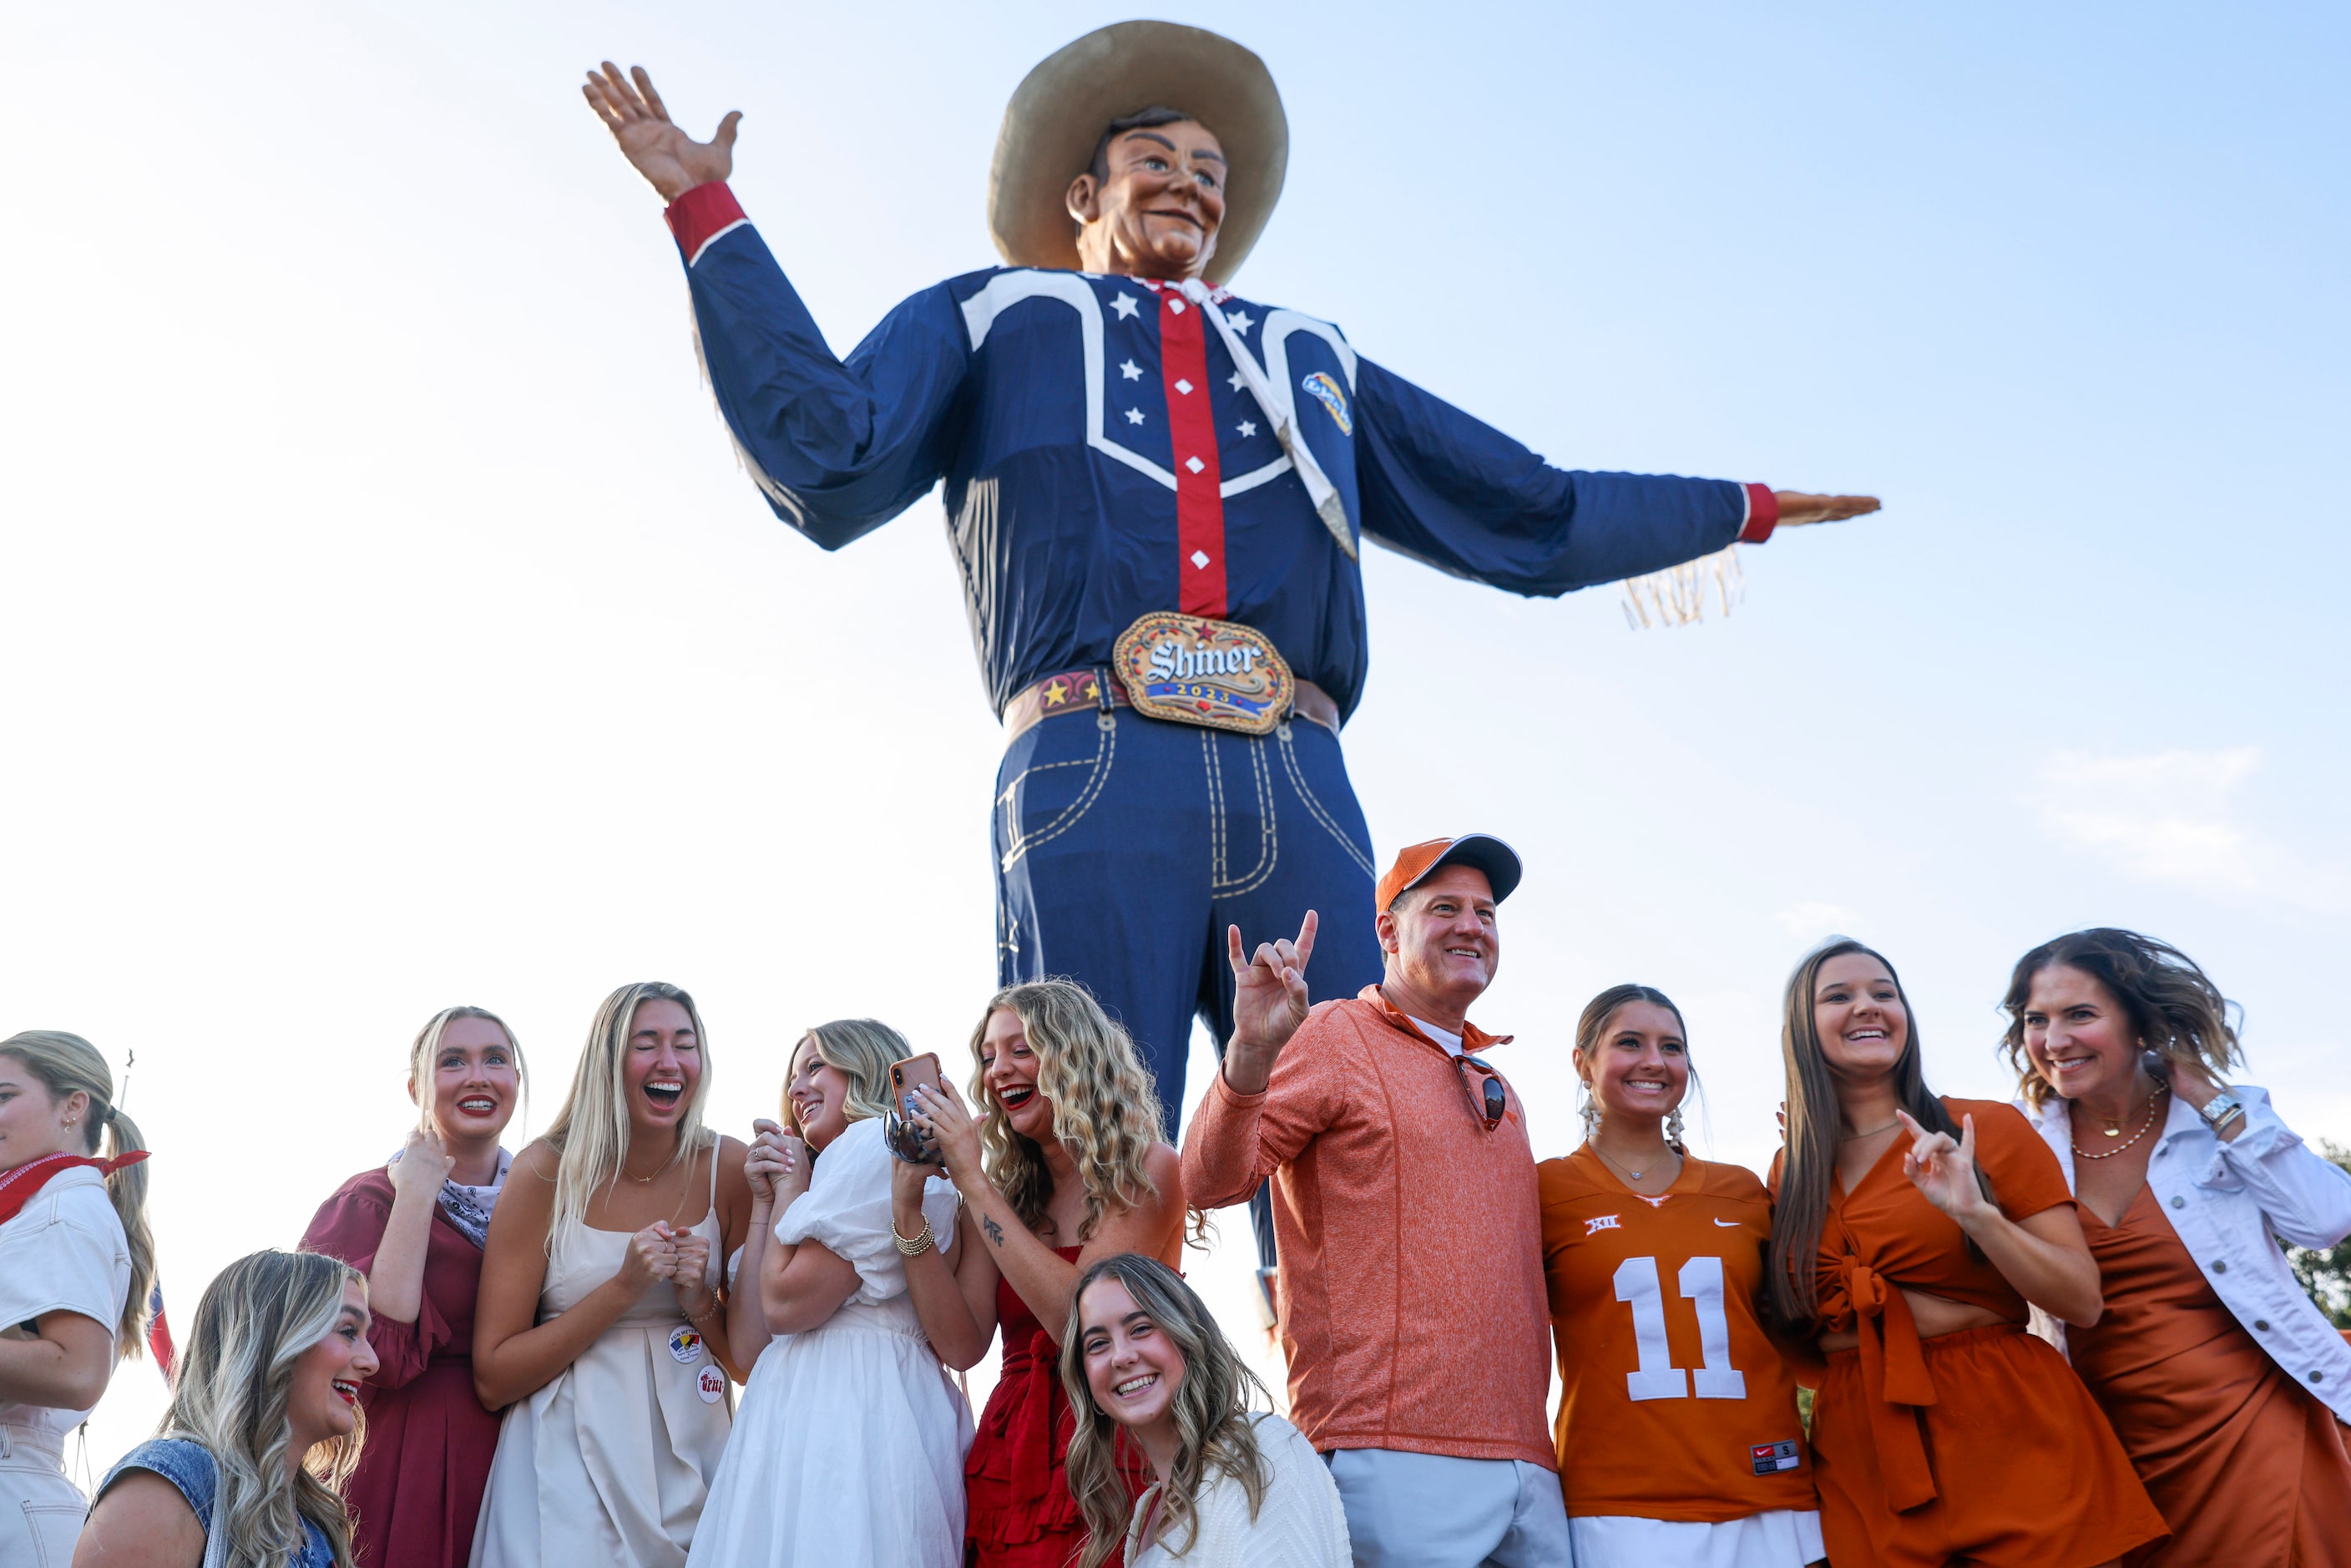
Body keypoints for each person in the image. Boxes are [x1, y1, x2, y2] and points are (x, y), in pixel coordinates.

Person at [582, 21, 1880, 1277]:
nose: (1193, 188)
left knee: (1345, 1122)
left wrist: (1740, 509)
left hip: (1295, 764)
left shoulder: (1307, 355)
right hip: (1090, 753)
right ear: (1083, 192)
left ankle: (1356, 1443)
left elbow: (1524, 509)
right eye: (1161, 162)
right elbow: (830, 448)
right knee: (1079, 1117)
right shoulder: (996, 313)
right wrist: (709, 214)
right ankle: (1085, 1470)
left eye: (1214, 173)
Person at [1184, 833, 1569, 1567]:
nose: (1472, 926)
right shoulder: (1335, 1033)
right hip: (1390, 1455)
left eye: (1486, 914)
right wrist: (1251, 1056)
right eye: (1445, 908)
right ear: (1388, 932)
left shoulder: (1499, 1083)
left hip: (1528, 1459)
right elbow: (1210, 1184)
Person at [1765, 938, 2166, 1568]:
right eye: (1839, 996)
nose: (1867, 1007)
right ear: (1801, 1027)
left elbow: (2081, 1300)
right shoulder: (1788, 1170)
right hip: (1862, 1450)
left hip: (2005, 1430)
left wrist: (1977, 1217)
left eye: (1884, 994)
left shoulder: (1986, 1129)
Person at [2004, 928, 2351, 1565]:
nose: (2054, 1041)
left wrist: (2208, 1097)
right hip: (2116, 1451)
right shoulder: (2019, 1145)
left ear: (2140, 1023)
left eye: (2080, 1014)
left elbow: (2327, 1221)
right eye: (2037, 1019)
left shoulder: (2217, 1120)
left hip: (2255, 1427)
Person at [896, 980, 1186, 1567]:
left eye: (1020, 1049)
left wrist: (973, 1182)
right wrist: (906, 1214)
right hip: (1013, 1458)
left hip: (1113, 1441)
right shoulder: (1004, 1199)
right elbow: (961, 1343)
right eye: (987, 1058)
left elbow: (1082, 1321)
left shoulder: (1148, 1170)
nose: (999, 1070)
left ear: (1073, 1055)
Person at [468, 983, 754, 1568]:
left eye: (685, 1044)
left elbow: (751, 1361)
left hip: (699, 1464)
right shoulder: (544, 1172)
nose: (669, 1062)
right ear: (608, 1060)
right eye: (646, 1044)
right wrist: (622, 1289)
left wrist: (698, 1298)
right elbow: (494, 1375)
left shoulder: (729, 1167)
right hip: (562, 1468)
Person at [1538, 987, 1824, 1566]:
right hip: (1620, 1502)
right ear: (1582, 1062)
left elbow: (1797, 1327)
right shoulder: (1543, 1190)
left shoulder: (1743, 1189)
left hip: (1767, 1486)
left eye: (1672, 1047)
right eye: (1629, 1043)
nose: (1654, 1061)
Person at [685, 1019, 973, 1567]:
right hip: (794, 1413)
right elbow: (749, 1347)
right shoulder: (826, 1177)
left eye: (816, 1066)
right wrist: (767, 1201)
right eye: (793, 1076)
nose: (796, 1089)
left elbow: (788, 1304)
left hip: (856, 1410)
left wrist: (792, 1189)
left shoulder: (875, 1145)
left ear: (866, 1067)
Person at [300, 1006, 528, 1568]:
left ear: (515, 1080)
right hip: (405, 1462)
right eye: (454, 1062)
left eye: (495, 1059)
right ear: (416, 1087)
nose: (478, 1076)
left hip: (523, 1458)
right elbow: (382, 1356)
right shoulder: (368, 1201)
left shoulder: (546, 1202)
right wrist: (418, 1194)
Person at [74, 1249, 374, 1568]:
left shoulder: (317, 1527)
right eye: (348, 1331)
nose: (372, 1361)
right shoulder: (175, 1483)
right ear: (270, 1340)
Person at [1062, 1253, 1349, 1567]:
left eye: (1141, 1328)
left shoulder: (1262, 1446)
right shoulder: (1145, 1515)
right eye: (1098, 1344)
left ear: (1186, 1334)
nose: (1122, 1356)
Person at [0, 1032, 154, 1568]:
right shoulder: (36, 1206)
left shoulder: (65, 1208)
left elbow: (77, 1370)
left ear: (73, 1105)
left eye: (3, 1096)